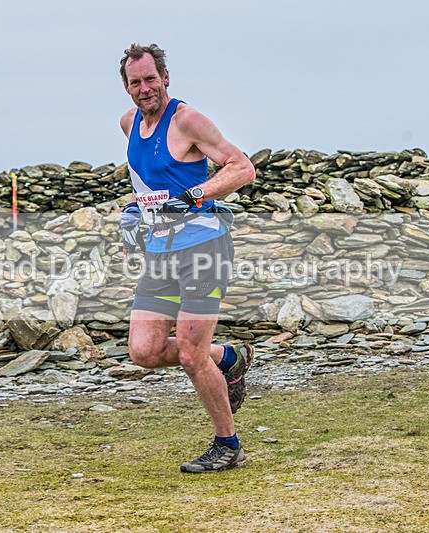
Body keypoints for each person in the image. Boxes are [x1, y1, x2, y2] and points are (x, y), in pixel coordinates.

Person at [118, 43, 256, 473]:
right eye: (135, 82)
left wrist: (195, 196)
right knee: (143, 350)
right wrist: (132, 213)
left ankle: (228, 445)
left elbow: (241, 167)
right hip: (159, 252)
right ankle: (229, 359)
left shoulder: (187, 120)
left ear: (165, 77)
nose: (145, 89)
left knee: (190, 355)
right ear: (127, 86)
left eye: (150, 79)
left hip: (203, 247)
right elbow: (150, 186)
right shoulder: (128, 124)